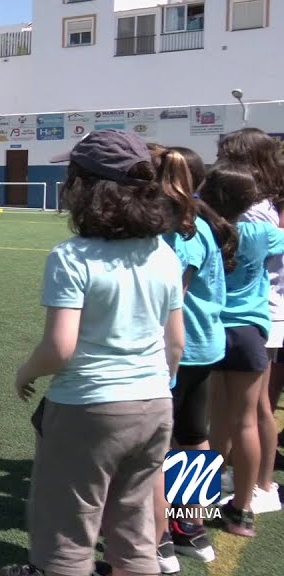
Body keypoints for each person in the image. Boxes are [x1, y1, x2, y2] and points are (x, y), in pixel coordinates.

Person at [0, 129, 183, 576]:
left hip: (89, 408)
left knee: (68, 538)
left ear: (85, 187)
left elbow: (60, 346)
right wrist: (153, 385)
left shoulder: (72, 257)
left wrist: (24, 373)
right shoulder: (162, 253)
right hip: (155, 406)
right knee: (135, 535)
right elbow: (177, 343)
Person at [152, 146, 228, 566]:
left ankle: (164, 536)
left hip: (179, 351)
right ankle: (191, 530)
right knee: (194, 436)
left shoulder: (180, 232)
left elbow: (170, 305)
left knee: (162, 444)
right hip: (204, 344)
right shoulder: (197, 223)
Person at [199, 162, 282, 537]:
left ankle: (191, 513)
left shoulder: (201, 230)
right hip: (250, 335)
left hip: (209, 332)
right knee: (246, 420)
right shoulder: (264, 233)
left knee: (202, 422)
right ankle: (242, 510)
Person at [216, 127, 284, 516]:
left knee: (249, 410)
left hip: (253, 317)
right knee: (239, 411)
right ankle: (247, 489)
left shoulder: (250, 215)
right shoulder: (263, 217)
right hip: (256, 319)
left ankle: (258, 486)